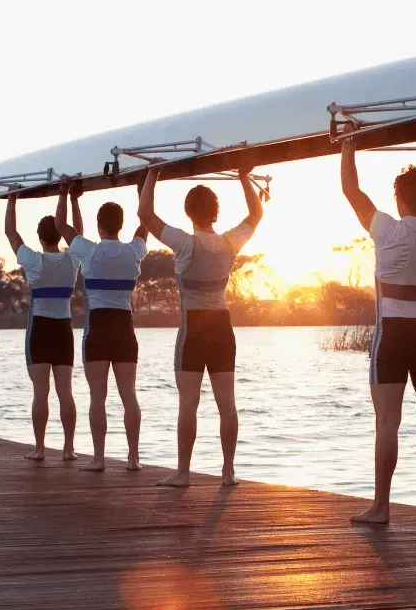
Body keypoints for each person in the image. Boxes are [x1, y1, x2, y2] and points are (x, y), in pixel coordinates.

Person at [341, 129, 416, 525]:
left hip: (392, 334)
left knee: (387, 423)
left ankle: (381, 507)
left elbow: (350, 188)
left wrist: (348, 144)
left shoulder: (387, 229)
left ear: (399, 199)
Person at [137, 166, 264, 487]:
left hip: (193, 329)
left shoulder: (184, 242)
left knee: (188, 404)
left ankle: (182, 473)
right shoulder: (229, 242)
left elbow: (145, 214)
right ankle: (228, 472)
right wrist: (243, 177)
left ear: (188, 212)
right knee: (227, 403)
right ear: (215, 212)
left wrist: (152, 173)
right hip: (222, 328)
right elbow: (256, 213)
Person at [55, 180, 150, 472]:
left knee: (98, 395)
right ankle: (133, 459)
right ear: (120, 224)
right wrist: (142, 189)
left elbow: (61, 225)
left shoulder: (89, 251)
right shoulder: (134, 251)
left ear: (99, 226)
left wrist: (67, 194)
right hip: (124, 327)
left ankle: (98, 458)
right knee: (129, 394)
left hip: (97, 327)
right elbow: (145, 222)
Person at [3, 191, 81, 461]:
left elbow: (11, 233)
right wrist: (73, 200)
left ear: (39, 238)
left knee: (41, 392)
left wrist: (11, 198)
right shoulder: (72, 261)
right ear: (60, 236)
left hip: (40, 329)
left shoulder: (34, 261)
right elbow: (78, 235)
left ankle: (39, 448)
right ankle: (69, 449)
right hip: (63, 329)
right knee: (65, 391)